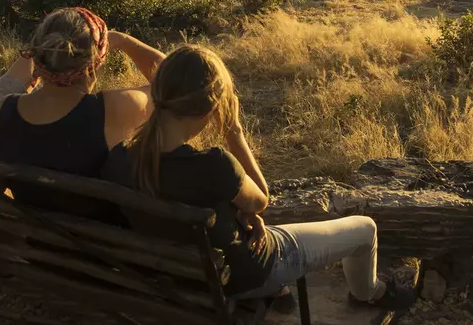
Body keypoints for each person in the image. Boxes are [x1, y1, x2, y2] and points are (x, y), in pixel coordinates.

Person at [101, 46, 414, 309]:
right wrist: (234, 134)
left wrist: (236, 214)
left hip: (172, 277)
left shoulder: (119, 158)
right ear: (213, 106)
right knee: (364, 229)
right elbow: (261, 199)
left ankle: (278, 294)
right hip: (243, 275)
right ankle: (368, 293)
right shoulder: (215, 164)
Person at [0, 7, 164, 220]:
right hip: (99, 251)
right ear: (97, 60)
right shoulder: (114, 108)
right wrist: (122, 40)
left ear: (37, 55)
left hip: (34, 247)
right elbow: (175, 81)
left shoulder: (4, 111)